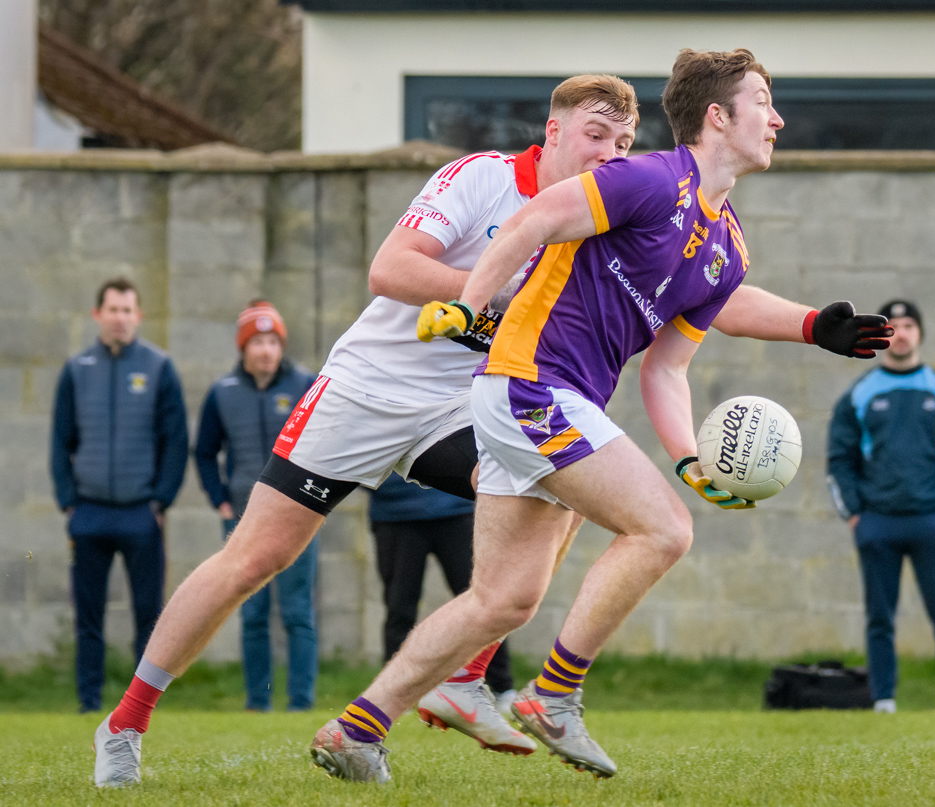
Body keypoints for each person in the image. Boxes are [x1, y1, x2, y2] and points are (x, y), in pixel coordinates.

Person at [93, 70, 884, 789]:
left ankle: (454, 682)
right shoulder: (488, 180)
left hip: (465, 403)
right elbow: (391, 269)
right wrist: (484, 300)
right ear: (553, 132)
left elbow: (698, 285)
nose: (610, 151)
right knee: (256, 557)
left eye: (622, 140)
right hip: (371, 388)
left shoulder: (629, 203)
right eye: (595, 136)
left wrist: (810, 324)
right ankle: (126, 720)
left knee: (554, 513)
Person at [318, 47, 892, 785]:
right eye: (762, 102)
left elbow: (667, 366)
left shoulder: (726, 244)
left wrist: (692, 456)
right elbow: (531, 220)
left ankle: (355, 728)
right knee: (663, 529)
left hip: (548, 395)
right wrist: (472, 303)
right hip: (530, 381)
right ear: (717, 117)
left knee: (503, 597)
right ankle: (554, 693)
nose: (777, 117)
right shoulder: (647, 178)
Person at [826, 299, 935, 714]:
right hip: (877, 523)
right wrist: (855, 514)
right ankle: (884, 701)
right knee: (880, 619)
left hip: (933, 521)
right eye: (893, 325)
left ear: (920, 334)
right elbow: (839, 460)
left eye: (909, 324)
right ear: (881, 336)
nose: (902, 332)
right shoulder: (859, 394)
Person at [50, 277, 188, 714]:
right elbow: (60, 440)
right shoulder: (76, 370)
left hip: (140, 514)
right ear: (98, 315)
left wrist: (160, 501)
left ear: (138, 316)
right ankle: (89, 701)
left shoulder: (159, 367)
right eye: (113, 310)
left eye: (128, 310)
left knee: (148, 616)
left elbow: (176, 441)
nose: (121, 318)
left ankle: (138, 706)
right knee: (88, 618)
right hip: (88, 513)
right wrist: (69, 501)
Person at [194, 301, 320, 712]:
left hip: (298, 515)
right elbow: (204, 452)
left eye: (272, 342)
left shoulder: (305, 383)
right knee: (251, 613)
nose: (266, 350)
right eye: (257, 342)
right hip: (242, 520)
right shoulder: (222, 393)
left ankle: (301, 701)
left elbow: (325, 442)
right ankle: (257, 702)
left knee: (298, 612)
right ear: (243, 348)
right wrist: (220, 501)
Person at [368, 475, 522, 733]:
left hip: (458, 510)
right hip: (394, 512)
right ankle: (393, 695)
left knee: (485, 603)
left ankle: (502, 689)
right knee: (399, 608)